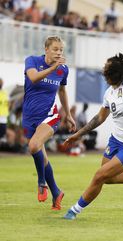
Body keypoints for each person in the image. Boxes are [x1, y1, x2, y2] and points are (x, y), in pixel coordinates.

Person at [63, 53, 123, 220]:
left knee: (100, 175)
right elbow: (99, 118)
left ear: (114, 74)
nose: (104, 75)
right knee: (108, 178)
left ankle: (74, 210)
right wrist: (78, 135)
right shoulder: (109, 92)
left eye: (106, 71)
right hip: (115, 141)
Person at [22, 36, 76, 210]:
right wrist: (53, 67)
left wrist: (67, 114)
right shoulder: (32, 61)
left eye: (61, 50)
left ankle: (41, 183)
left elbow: (61, 90)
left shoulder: (63, 70)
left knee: (33, 146)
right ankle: (56, 192)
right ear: (46, 49)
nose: (59, 52)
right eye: (55, 49)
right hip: (29, 117)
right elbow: (34, 78)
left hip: (49, 116)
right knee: (41, 155)